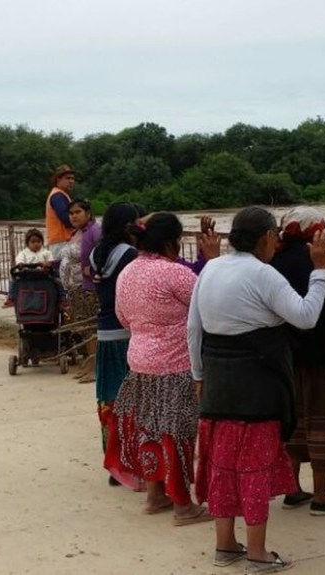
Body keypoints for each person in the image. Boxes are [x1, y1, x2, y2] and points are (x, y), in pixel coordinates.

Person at [188, 206, 325, 573]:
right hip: (258, 387)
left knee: (222, 466)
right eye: (275, 238)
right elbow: (305, 317)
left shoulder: (211, 269)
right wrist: (320, 272)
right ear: (267, 237)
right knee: (254, 469)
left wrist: (199, 375)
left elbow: (194, 328)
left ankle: (225, 545)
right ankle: (257, 553)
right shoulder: (263, 274)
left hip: (218, 384)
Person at [106, 213, 211, 525]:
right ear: (171, 242)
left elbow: (123, 317)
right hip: (174, 364)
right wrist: (212, 260)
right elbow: (207, 304)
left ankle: (155, 495)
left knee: (148, 429)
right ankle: (183, 505)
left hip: (139, 361)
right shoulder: (174, 273)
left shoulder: (127, 272)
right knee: (177, 433)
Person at [269, 207, 325, 516]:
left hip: (285, 359)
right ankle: (322, 496)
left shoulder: (273, 264)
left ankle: (292, 488)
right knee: (322, 426)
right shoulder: (322, 268)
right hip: (321, 359)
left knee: (294, 425)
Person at [90, 203, 141, 486]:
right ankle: (133, 461)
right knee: (133, 401)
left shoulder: (97, 254)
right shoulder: (129, 255)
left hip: (104, 333)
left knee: (109, 400)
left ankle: (114, 464)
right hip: (126, 333)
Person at [59, 199, 101, 382]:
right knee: (84, 328)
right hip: (74, 289)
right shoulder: (75, 233)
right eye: (71, 213)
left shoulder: (94, 232)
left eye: (78, 212)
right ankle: (90, 365)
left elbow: (102, 254)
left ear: (88, 213)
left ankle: (95, 369)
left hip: (87, 289)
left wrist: (93, 271)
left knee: (91, 328)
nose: (73, 216)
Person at [2, 228, 64, 308]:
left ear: (42, 242)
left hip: (44, 275)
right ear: (27, 243)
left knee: (58, 281)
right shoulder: (23, 253)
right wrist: (21, 265)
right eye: (33, 242)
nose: (36, 244)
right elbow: (19, 261)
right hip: (27, 275)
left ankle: (62, 299)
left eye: (38, 241)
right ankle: (11, 298)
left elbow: (51, 262)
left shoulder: (46, 253)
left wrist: (47, 264)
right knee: (13, 281)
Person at [45, 164, 76, 260]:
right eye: (68, 178)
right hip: (61, 242)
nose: (71, 181)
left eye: (72, 178)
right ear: (58, 179)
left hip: (60, 241)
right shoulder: (57, 196)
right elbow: (66, 218)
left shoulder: (59, 194)